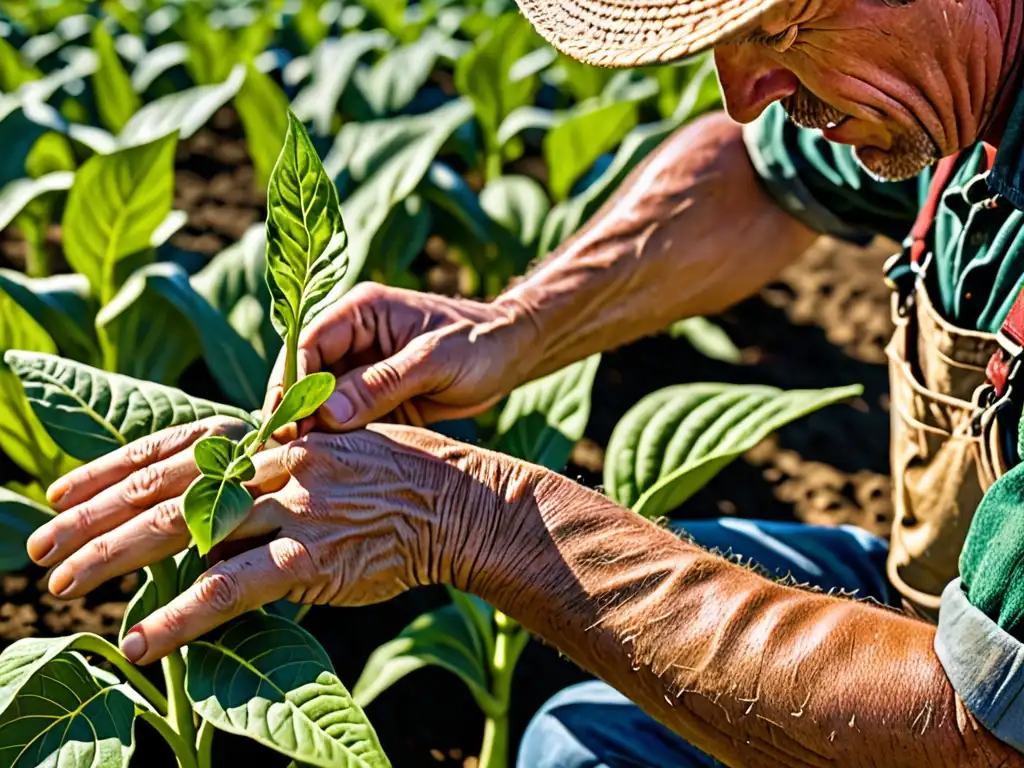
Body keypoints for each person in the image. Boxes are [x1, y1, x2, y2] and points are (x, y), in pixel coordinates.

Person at [24, 0, 1024, 764]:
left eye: (775, 22)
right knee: (579, 644)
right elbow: (759, 177)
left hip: (974, 711)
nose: (741, 90)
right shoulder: (951, 66)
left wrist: (478, 517)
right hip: (947, 604)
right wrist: (507, 328)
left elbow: (974, 733)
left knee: (583, 733)